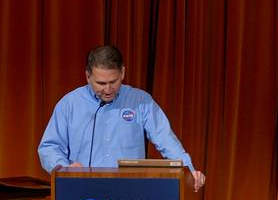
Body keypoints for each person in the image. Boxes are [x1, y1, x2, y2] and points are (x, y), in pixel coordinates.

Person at [37, 44, 206, 190]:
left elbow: (166, 140)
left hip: (129, 191)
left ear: (123, 72)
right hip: (81, 189)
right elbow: (49, 147)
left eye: (114, 81)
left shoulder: (140, 101)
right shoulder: (70, 104)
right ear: (88, 76)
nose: (108, 89)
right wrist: (65, 168)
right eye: (101, 83)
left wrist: (188, 170)